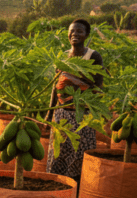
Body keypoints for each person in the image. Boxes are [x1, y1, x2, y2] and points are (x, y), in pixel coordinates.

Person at [45, 18, 105, 186]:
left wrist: (77, 74)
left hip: (82, 115)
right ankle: (58, 188)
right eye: (72, 31)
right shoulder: (63, 56)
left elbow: (98, 86)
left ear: (86, 34)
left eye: (79, 31)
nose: (75, 34)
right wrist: (49, 114)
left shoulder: (93, 56)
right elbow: (55, 87)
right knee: (58, 154)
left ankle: (77, 191)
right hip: (61, 114)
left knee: (79, 155)